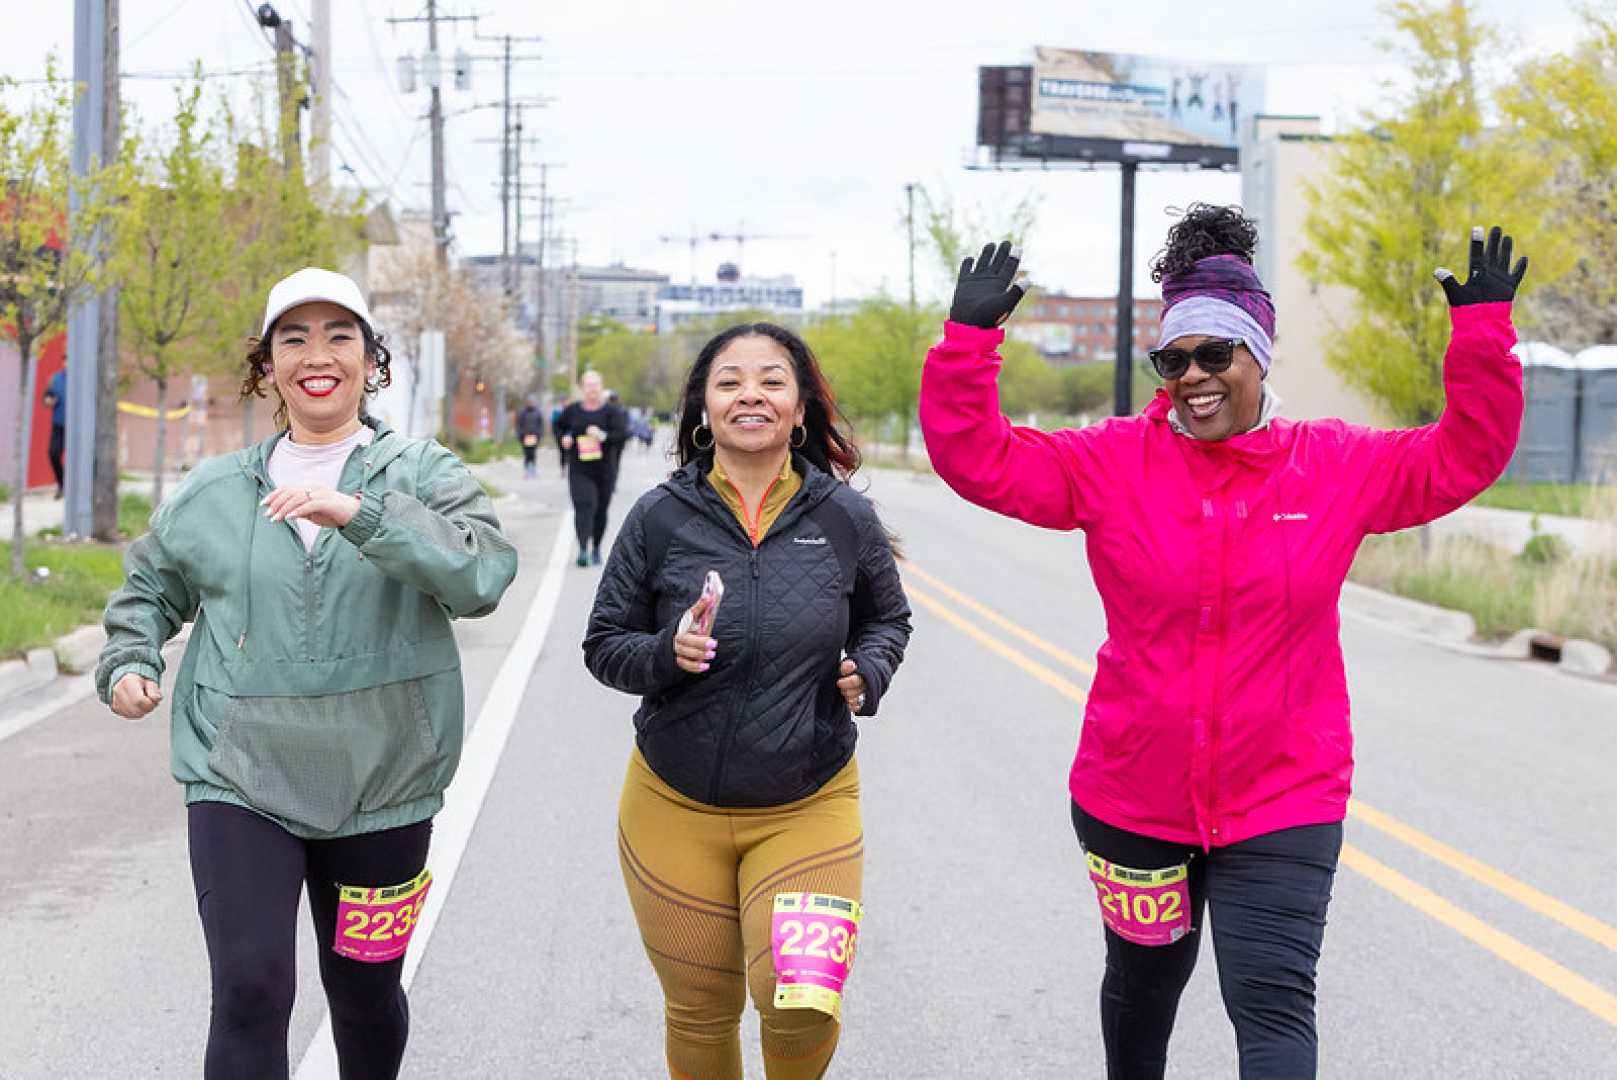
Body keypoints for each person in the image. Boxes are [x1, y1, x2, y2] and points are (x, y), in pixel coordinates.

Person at [917, 208, 1527, 1080]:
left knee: (1273, 1007)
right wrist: (966, 348)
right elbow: (982, 460)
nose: (1191, 378)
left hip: (1284, 796)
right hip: (1133, 798)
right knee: (1143, 992)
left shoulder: (1333, 465)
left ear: (1257, 358)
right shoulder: (1111, 462)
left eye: (1213, 356)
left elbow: (1460, 456)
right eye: (1172, 361)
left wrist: (1480, 342)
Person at [95, 267, 519, 1080]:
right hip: (240, 774)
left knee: (363, 994)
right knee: (250, 989)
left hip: (386, 779)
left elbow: (481, 578)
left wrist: (361, 516)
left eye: (338, 336)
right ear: (267, 366)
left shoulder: (422, 474)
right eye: (293, 338)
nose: (315, 355)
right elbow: (149, 588)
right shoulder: (216, 490)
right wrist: (128, 657)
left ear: (370, 359)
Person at [584, 322, 912, 1079]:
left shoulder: (842, 518)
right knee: (700, 1010)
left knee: (800, 999)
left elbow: (887, 617)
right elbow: (603, 644)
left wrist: (870, 665)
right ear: (703, 408)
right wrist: (666, 653)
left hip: (807, 800)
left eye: (771, 380)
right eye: (728, 381)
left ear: (800, 410)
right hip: (674, 802)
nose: (750, 394)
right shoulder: (659, 517)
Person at [556, 371, 628, 566]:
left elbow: (622, 435)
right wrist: (564, 438)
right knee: (584, 506)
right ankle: (582, 548)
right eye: (588, 385)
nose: (592, 389)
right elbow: (559, 427)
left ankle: (596, 546)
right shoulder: (572, 410)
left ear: (601, 387)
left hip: (605, 469)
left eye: (595, 385)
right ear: (582, 388)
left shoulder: (612, 411)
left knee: (600, 510)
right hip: (580, 469)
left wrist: (602, 436)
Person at [41, 363, 67, 498]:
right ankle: (62, 484)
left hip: (76, 428)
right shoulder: (55, 379)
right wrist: (48, 400)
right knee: (53, 453)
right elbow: (46, 397)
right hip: (59, 424)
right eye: (65, 358)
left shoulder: (81, 378)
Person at [515, 393, 546, 478]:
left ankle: (533, 470)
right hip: (525, 437)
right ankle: (527, 471)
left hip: (534, 437)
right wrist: (519, 435)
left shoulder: (538, 412)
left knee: (533, 454)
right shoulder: (523, 413)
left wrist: (539, 435)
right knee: (527, 454)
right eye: (529, 401)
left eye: (532, 401)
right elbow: (518, 425)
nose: (531, 403)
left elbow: (541, 425)